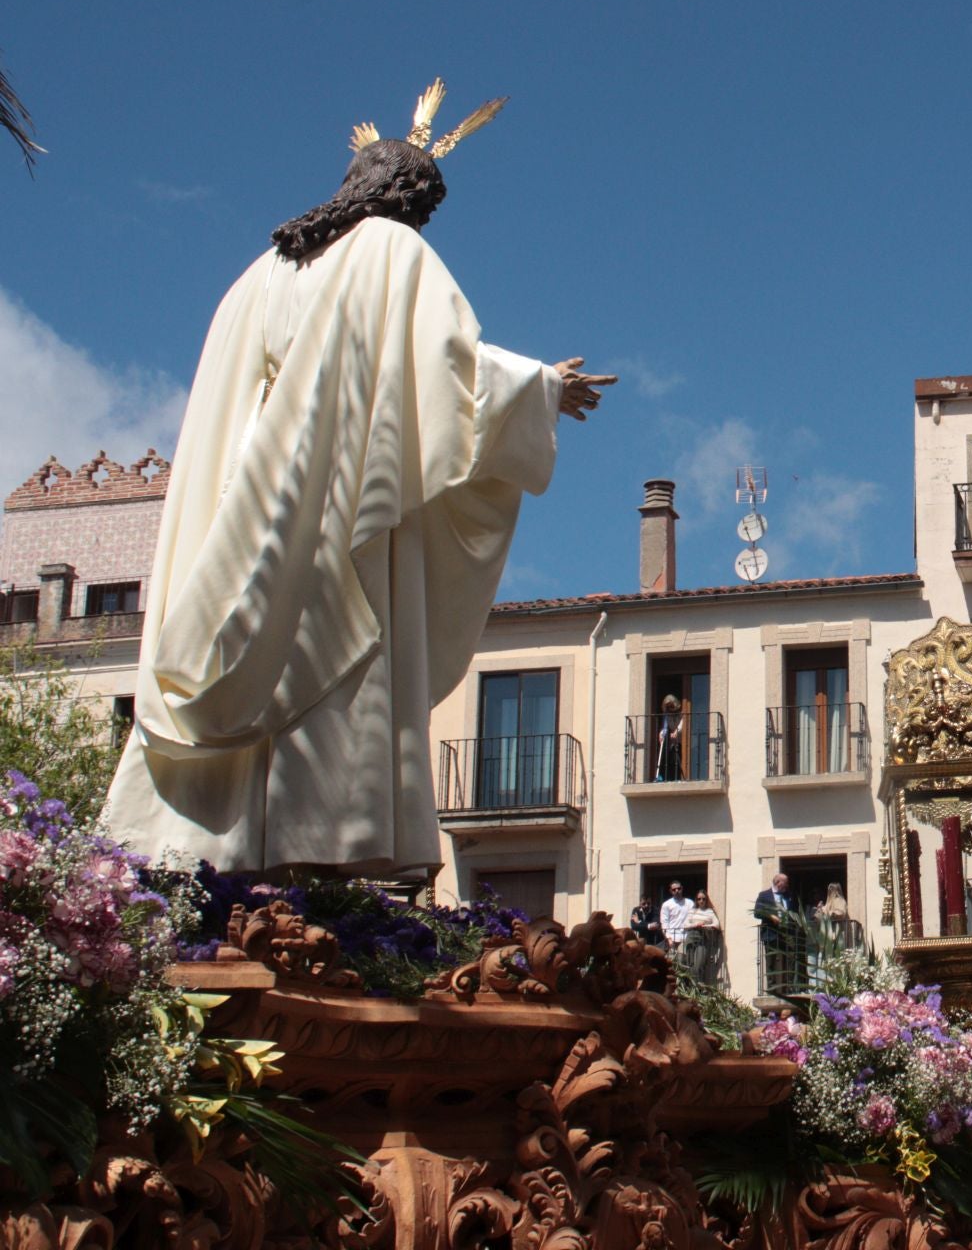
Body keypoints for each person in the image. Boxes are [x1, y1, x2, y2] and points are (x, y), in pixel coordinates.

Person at [103, 81, 616, 873]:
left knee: (244, 635)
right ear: (407, 199)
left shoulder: (259, 273)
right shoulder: (388, 250)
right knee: (334, 659)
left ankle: (205, 860)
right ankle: (322, 867)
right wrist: (542, 386)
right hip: (337, 496)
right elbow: (438, 367)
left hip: (251, 505)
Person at [754, 872, 800, 994]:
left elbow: (795, 912)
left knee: (790, 959)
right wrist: (771, 916)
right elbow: (757, 912)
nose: (787, 886)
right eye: (785, 883)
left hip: (788, 933)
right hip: (771, 933)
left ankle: (789, 987)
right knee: (771, 961)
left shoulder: (789, 896)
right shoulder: (764, 895)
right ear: (778, 882)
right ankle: (772, 988)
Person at [682, 890, 724, 986]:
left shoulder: (709, 911)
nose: (701, 901)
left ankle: (697, 985)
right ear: (696, 900)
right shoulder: (692, 911)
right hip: (691, 936)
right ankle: (694, 986)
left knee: (699, 963)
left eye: (703, 899)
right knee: (690, 963)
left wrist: (705, 926)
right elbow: (685, 924)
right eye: (699, 899)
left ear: (706, 900)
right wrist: (696, 924)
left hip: (703, 938)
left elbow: (716, 924)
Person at [659, 880, 694, 955]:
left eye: (678, 888)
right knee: (672, 962)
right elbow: (664, 923)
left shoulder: (690, 903)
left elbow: (694, 919)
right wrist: (668, 939)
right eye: (674, 889)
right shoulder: (666, 904)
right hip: (672, 939)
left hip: (686, 938)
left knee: (683, 961)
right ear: (670, 891)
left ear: (682, 888)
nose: (677, 891)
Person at [654, 694, 684, 782]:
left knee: (677, 758)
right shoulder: (667, 715)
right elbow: (665, 726)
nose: (669, 708)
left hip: (680, 740)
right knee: (669, 758)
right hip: (671, 740)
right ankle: (663, 777)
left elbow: (681, 725)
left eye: (671, 705)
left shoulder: (681, 714)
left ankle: (677, 778)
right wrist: (661, 733)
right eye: (667, 706)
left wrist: (676, 731)